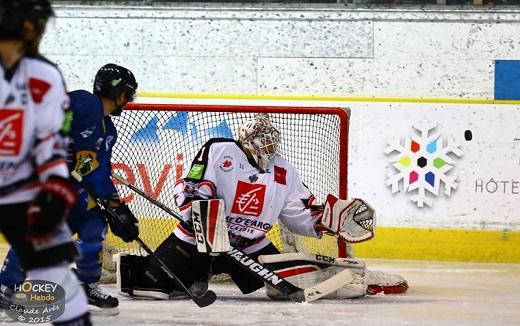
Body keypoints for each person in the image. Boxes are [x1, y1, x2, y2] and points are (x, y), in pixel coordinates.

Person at [116, 113, 378, 300]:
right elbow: (194, 184)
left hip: (248, 243)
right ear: (249, 140)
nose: (271, 146)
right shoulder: (220, 150)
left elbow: (297, 209)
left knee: (284, 287)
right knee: (152, 286)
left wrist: (323, 220)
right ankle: (188, 272)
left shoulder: (282, 170)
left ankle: (199, 274)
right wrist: (200, 211)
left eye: (273, 141)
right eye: (265, 140)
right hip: (202, 237)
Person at [0, 63, 140, 315]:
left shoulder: (110, 131)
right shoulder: (85, 103)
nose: (128, 101)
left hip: (73, 189)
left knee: (95, 224)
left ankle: (85, 284)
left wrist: (116, 207)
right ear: (120, 94)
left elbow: (99, 171)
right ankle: (5, 287)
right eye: (128, 94)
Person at [0, 0, 91, 324]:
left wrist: (55, 185)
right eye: (38, 24)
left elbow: (50, 145)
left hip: (23, 193)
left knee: (61, 287)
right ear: (27, 26)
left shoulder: (45, 76)